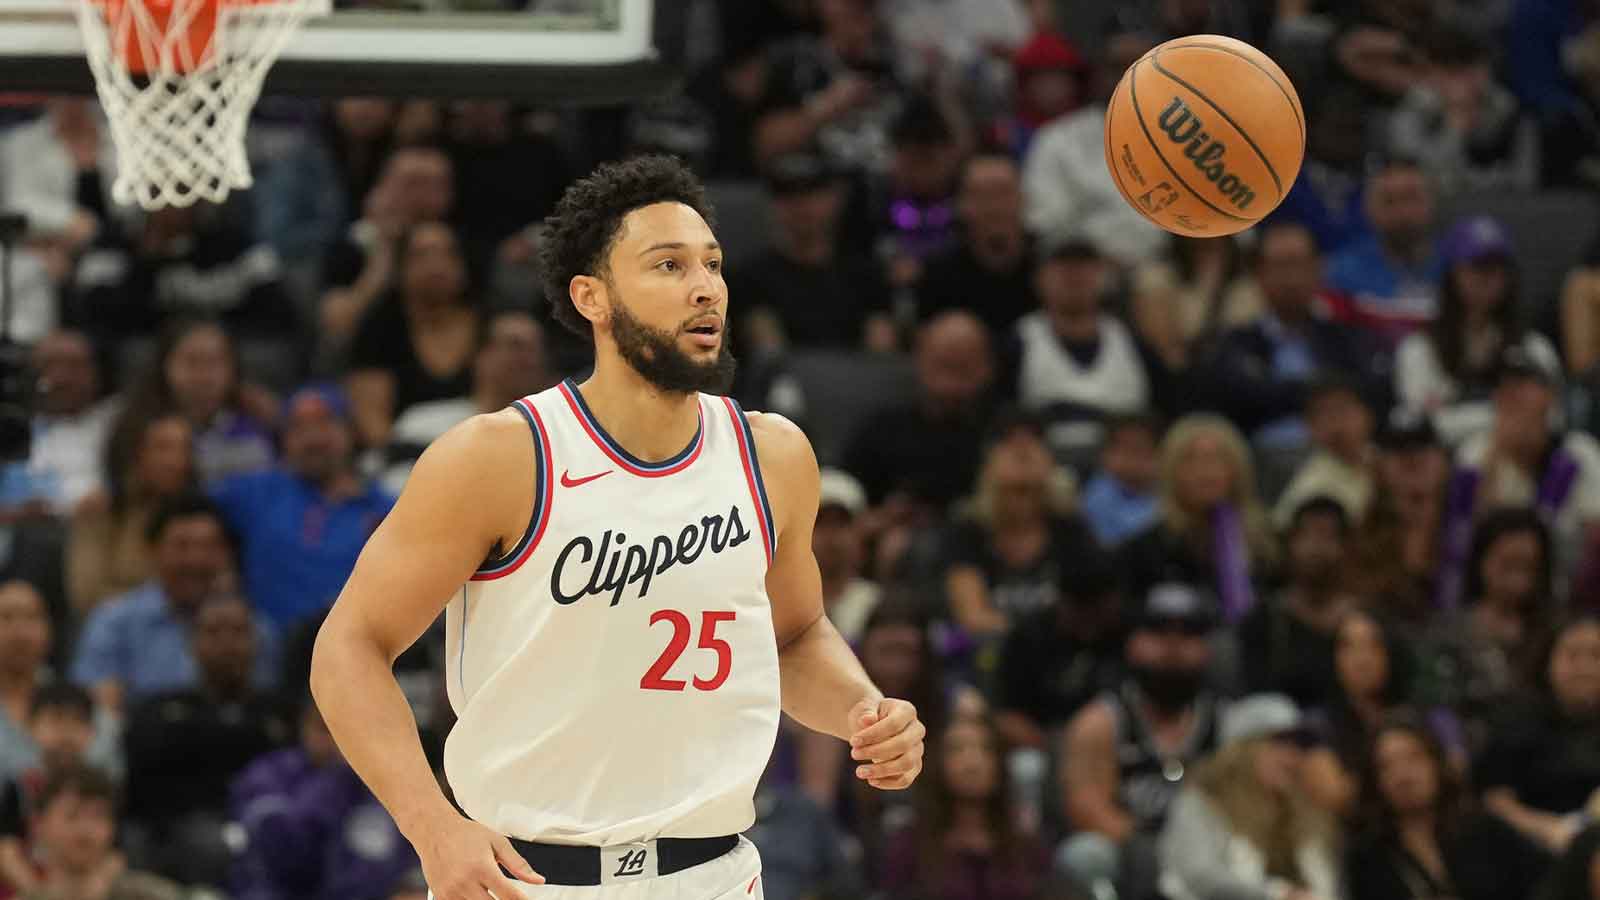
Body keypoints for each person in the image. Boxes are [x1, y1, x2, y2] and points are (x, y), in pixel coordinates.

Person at [309, 155, 926, 899]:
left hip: (716, 876)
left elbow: (794, 636)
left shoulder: (775, 456)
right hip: (527, 878)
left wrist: (864, 707)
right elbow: (348, 648)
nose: (705, 288)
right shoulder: (502, 458)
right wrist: (430, 824)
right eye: (668, 265)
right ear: (592, 297)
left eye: (713, 264)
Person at [1056, 583, 1223, 900]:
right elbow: (1085, 809)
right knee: (1084, 854)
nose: (1173, 645)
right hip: (1131, 853)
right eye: (1158, 630)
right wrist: (1156, 849)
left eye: (1188, 632)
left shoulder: (1226, 722)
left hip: (1209, 856)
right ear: (1132, 643)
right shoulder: (1101, 722)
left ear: (1206, 647)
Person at [70, 494, 277, 714]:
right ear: (151, 551)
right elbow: (97, 713)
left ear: (226, 554)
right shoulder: (114, 624)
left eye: (208, 546)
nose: (195, 560)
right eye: (182, 546)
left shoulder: (254, 627)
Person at [211, 384, 394, 629]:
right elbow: (183, 509)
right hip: (269, 656)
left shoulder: (384, 508)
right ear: (283, 439)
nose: (313, 438)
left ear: (350, 431)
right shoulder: (256, 492)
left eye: (325, 423)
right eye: (298, 427)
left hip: (352, 648)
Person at [1394, 216, 1559, 448]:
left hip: (1517, 461)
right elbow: (1422, 426)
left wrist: (1459, 418)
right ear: (1452, 274)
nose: (1489, 278)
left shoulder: (1534, 347)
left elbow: (1551, 420)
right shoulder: (1419, 348)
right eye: (1478, 267)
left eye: (1498, 268)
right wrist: (1507, 415)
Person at [1159, 695, 1340, 900]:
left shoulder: (1306, 812)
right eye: (1278, 743)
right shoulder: (1201, 804)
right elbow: (1200, 876)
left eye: (1297, 746)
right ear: (1242, 750)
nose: (1291, 758)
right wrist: (1277, 895)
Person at [1345, 718, 1547, 900]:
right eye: (1386, 766)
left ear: (1436, 764)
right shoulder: (1366, 856)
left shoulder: (1482, 828)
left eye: (1414, 758)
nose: (1403, 776)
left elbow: (1546, 883)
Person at [878, 716, 1050, 900]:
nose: (972, 762)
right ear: (938, 762)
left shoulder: (1025, 846)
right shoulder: (909, 847)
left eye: (985, 749)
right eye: (957, 749)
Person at [1478, 616, 1600, 855]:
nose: (1584, 667)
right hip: (1532, 847)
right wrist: (1550, 829)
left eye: (1596, 655)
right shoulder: (1517, 719)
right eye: (1572, 655)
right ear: (1548, 662)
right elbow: (1495, 800)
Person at [65, 413, 195, 615]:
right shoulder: (101, 510)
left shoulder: (204, 515)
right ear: (137, 454)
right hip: (116, 630)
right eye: (163, 448)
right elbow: (86, 595)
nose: (176, 460)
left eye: (185, 449)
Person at [1238, 497, 1355, 711]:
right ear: (1290, 544)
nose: (1316, 547)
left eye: (1328, 536)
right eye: (1306, 535)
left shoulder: (1366, 620)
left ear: (1346, 547)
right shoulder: (1264, 621)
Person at [14, 767, 184, 900]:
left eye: (98, 817)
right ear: (39, 825)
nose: (86, 831)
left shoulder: (153, 895)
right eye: (72, 816)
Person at [1325, 156, 1443, 344]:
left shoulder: (1457, 267)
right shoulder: (1341, 273)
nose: (1403, 212)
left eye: (1411, 198)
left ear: (1431, 201)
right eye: (1389, 201)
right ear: (1368, 209)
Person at [1079, 412, 1162, 548]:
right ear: (1105, 454)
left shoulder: (1170, 491)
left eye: (1139, 449)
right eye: (1123, 448)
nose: (1131, 459)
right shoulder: (1097, 493)